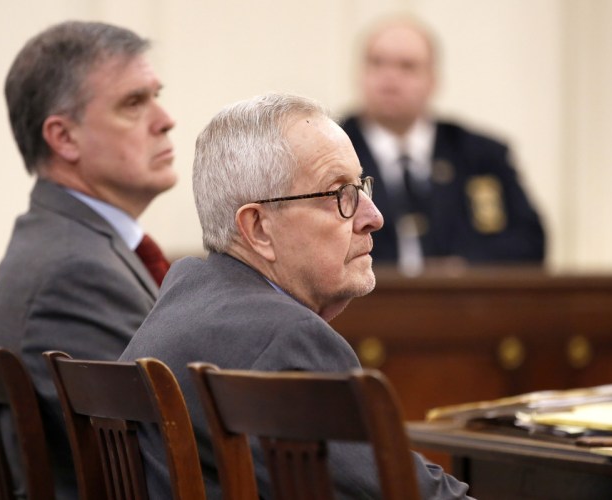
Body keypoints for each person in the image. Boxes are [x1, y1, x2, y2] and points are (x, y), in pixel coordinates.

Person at [120, 93, 472, 499]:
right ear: (258, 228)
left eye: (361, 186)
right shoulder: (285, 340)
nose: (373, 217)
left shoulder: (187, 297)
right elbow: (402, 492)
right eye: (339, 194)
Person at [0, 20, 175, 499]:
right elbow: (172, 447)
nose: (164, 119)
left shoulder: (61, 242)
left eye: (156, 95)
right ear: (64, 138)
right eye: (133, 103)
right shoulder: (75, 271)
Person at [341, 16, 545, 272]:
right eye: (377, 63)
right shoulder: (331, 152)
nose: (390, 78)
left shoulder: (480, 155)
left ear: (433, 80)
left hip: (464, 306)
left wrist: (463, 268)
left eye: (407, 67)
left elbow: (529, 243)